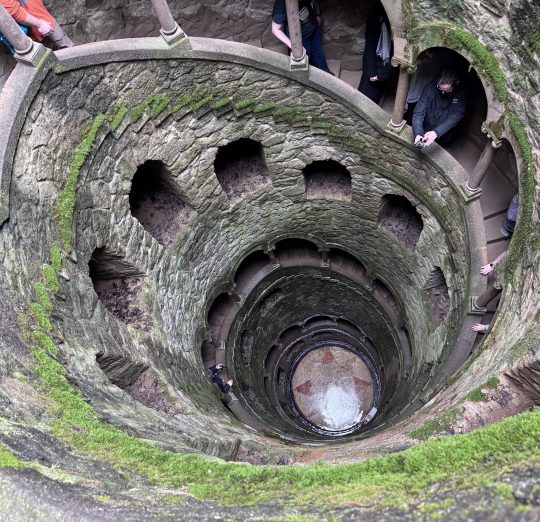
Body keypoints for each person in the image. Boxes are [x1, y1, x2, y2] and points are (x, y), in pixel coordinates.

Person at [412, 69, 467, 149]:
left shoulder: (461, 94)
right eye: (439, 88)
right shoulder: (430, 87)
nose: (442, 93)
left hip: (444, 134)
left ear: (456, 84)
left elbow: (456, 116)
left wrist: (437, 132)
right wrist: (418, 133)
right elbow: (418, 113)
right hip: (426, 128)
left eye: (447, 91)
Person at [271, 0, 331, 73]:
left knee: (319, 53)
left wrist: (317, 14)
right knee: (306, 58)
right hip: (300, 37)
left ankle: (326, 74)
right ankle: (313, 81)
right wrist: (295, 46)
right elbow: (275, 29)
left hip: (314, 28)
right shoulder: (281, 4)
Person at [0, 0, 73, 50]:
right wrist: (39, 24)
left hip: (44, 19)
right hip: (33, 30)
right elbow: (15, 12)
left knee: (70, 51)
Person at [358, 5, 393, 104]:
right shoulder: (375, 15)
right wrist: (372, 73)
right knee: (366, 95)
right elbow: (370, 45)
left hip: (381, 63)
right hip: (373, 65)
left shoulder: (388, 18)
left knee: (375, 94)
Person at [404, 49, 447, 125]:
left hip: (423, 94)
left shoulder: (436, 63)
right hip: (415, 93)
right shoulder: (422, 61)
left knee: (415, 116)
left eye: (430, 53)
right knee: (409, 115)